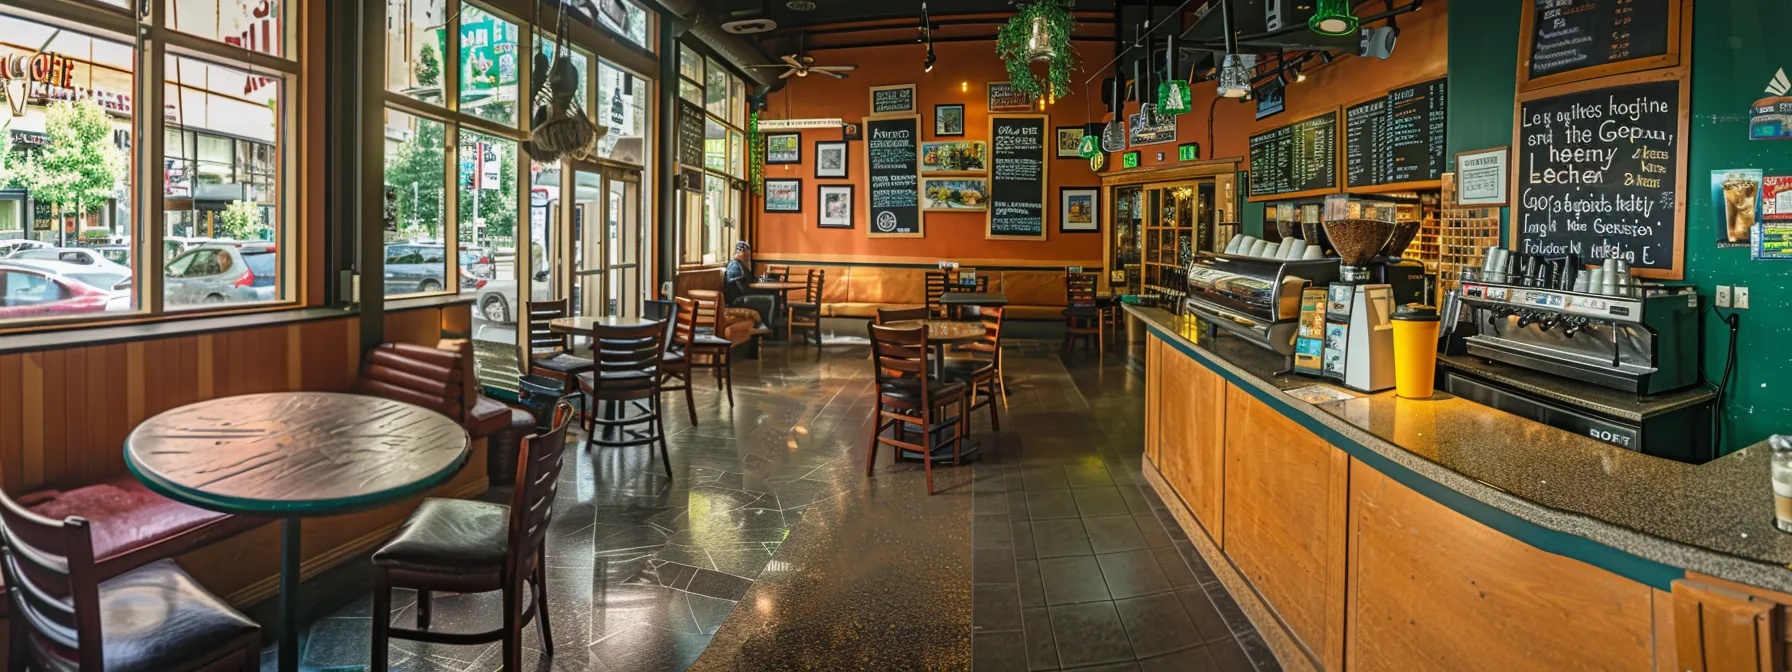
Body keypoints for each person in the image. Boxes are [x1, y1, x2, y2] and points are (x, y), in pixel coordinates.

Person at [723, 241, 777, 331]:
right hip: (737, 300)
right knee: (771, 299)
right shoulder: (735, 266)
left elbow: (749, 282)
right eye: (746, 254)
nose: (748, 256)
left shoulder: (740, 265)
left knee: (772, 295)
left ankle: (766, 326)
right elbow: (743, 289)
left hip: (742, 297)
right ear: (738, 252)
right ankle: (769, 330)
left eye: (748, 254)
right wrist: (758, 292)